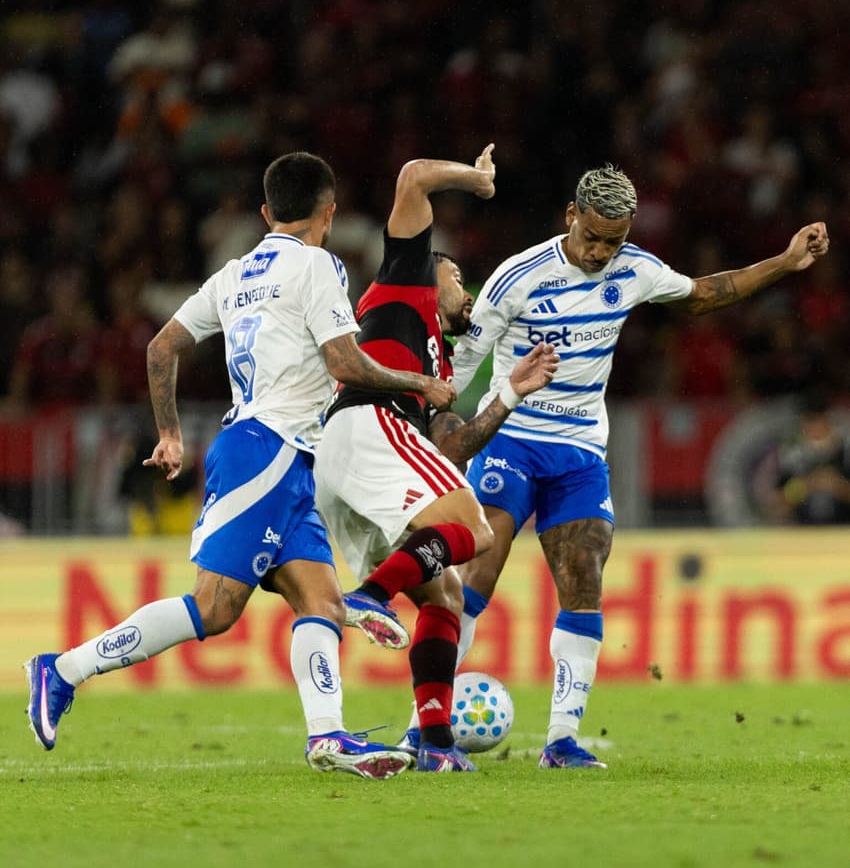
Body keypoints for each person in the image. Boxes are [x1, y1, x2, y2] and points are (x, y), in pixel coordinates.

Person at [24, 150, 457, 779]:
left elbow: (161, 346)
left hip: (279, 453)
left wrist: (170, 432)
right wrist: (418, 381)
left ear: (265, 212)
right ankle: (63, 670)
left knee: (322, 600)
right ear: (329, 213)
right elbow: (344, 363)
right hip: (267, 451)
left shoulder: (233, 274)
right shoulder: (318, 266)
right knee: (215, 608)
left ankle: (328, 739)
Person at [418, 162, 828, 769]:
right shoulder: (517, 277)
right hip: (512, 439)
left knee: (584, 577)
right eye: (592, 237)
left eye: (613, 240)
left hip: (581, 450)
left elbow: (704, 293)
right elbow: (458, 364)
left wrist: (784, 262)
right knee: (475, 577)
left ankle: (560, 742)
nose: (600, 251)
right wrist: (438, 426)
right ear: (570, 217)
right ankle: (423, 734)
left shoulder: (635, 268)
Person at [313, 144, 557, 773]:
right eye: (459, 280)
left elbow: (450, 448)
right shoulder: (406, 283)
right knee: (476, 531)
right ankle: (367, 596)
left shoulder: (438, 364)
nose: (467, 292)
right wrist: (474, 180)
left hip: (355, 457)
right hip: (368, 423)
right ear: (434, 274)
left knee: (445, 598)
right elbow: (413, 176)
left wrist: (508, 393)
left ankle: (437, 743)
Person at [753, 389, 850, 525]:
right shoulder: (791, 455)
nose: (814, 429)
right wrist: (805, 486)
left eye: (818, 422)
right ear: (803, 424)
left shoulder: (845, 451)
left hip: (842, 533)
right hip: (802, 534)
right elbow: (775, 504)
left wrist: (837, 485)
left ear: (828, 422)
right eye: (809, 423)